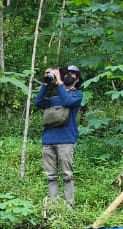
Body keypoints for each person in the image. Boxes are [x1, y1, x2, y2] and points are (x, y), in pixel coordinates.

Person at [35, 64, 84, 206]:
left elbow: (67, 101)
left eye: (73, 74)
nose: (70, 75)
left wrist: (60, 84)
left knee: (67, 175)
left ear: (77, 79)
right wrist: (46, 83)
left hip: (66, 141)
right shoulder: (54, 99)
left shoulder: (77, 95)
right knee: (51, 176)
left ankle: (69, 206)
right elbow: (39, 102)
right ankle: (53, 205)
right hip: (48, 140)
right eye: (67, 73)